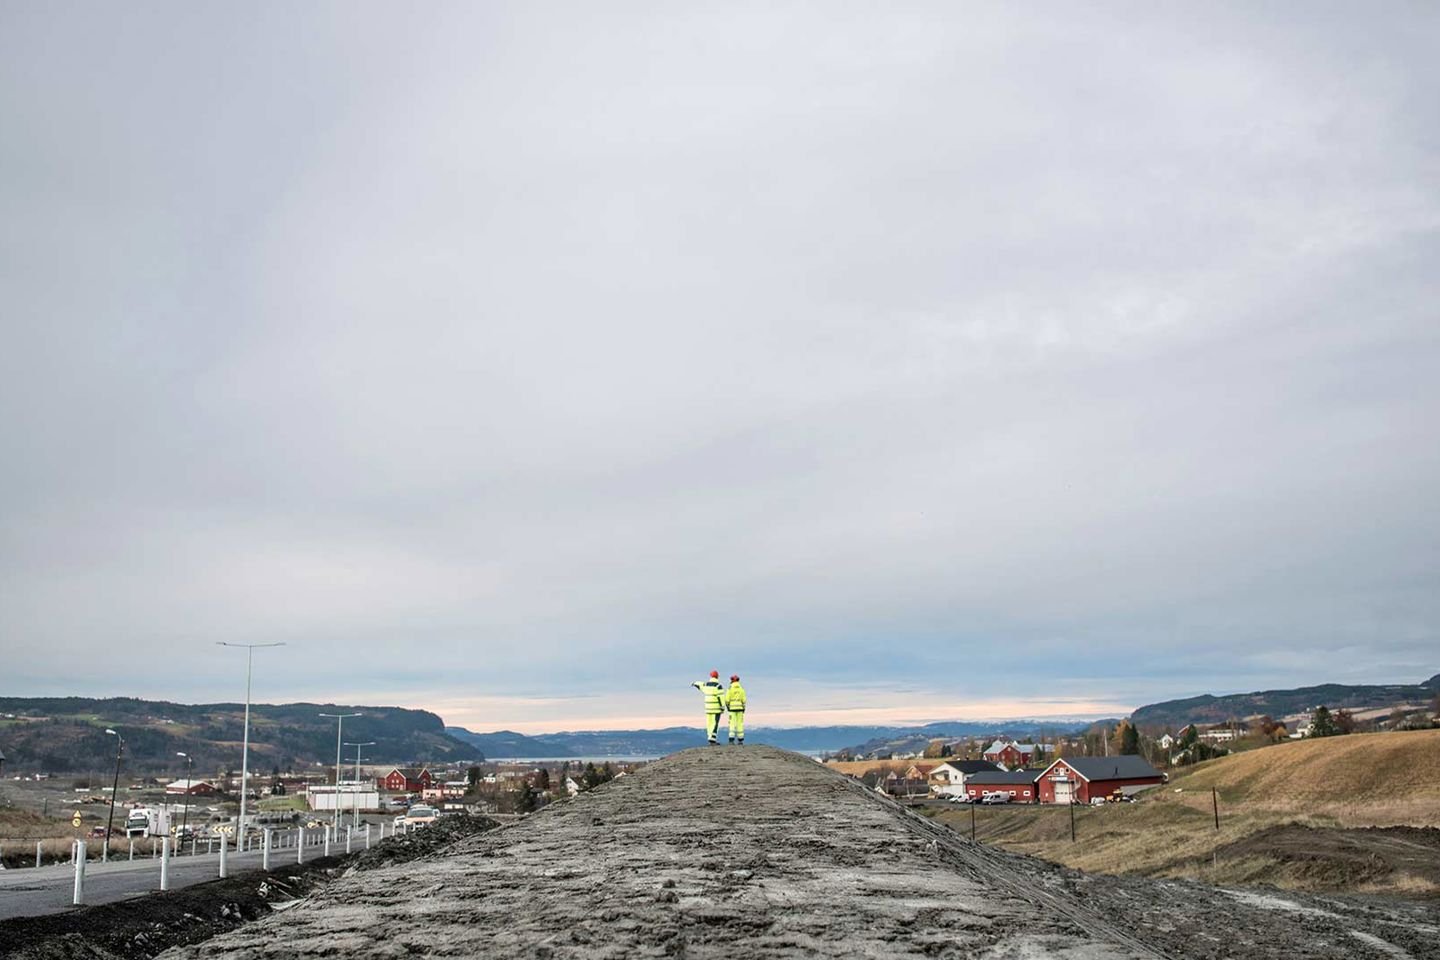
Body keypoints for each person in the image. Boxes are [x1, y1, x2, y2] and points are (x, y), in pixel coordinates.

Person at [691, 670, 726, 745]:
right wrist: (722, 707)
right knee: (715, 724)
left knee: (709, 724)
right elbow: (721, 698)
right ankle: (712, 740)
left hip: (708, 708)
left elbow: (700, 685)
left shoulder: (706, 685)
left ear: (710, 676)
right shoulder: (718, 686)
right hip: (716, 709)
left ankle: (709, 738)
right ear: (717, 677)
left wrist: (694, 683)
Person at [724, 674, 747, 745]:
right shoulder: (741, 688)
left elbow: (727, 699)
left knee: (732, 723)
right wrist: (743, 708)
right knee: (740, 723)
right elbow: (744, 700)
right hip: (740, 708)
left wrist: (728, 706)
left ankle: (731, 739)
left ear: (732, 680)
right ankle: (740, 740)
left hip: (732, 709)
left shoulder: (730, 688)